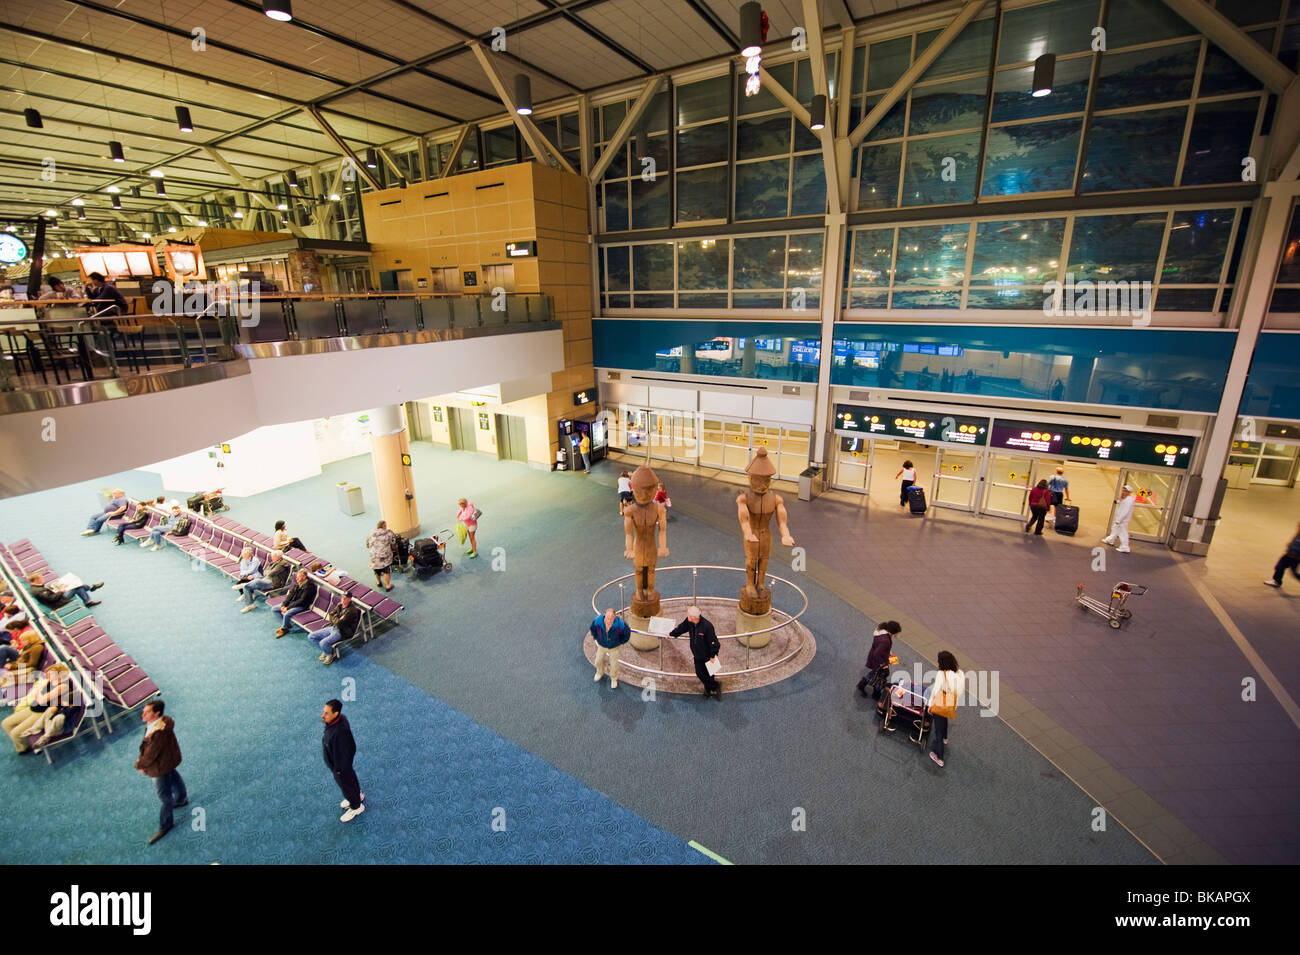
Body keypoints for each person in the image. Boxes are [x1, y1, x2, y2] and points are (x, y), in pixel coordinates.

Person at [135, 700, 187, 845]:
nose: (143, 714)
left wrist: (140, 765)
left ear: (156, 713)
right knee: (173, 776)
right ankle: (182, 799)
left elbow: (151, 754)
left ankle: (166, 825)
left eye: (147, 712)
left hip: (159, 765)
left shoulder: (158, 733)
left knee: (165, 797)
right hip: (168, 759)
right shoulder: (164, 721)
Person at [3, 663, 71, 754]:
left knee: (15, 733)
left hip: (41, 713)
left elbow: (41, 700)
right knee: (5, 723)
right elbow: (36, 693)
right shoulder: (49, 681)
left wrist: (39, 694)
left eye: (50, 674)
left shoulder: (63, 686)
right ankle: (24, 744)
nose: (47, 675)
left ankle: (25, 748)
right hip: (33, 708)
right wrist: (39, 694)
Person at [322, 699, 364, 822]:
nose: (323, 716)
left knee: (345, 785)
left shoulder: (338, 732)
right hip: (343, 764)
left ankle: (356, 806)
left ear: (335, 714)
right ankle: (358, 795)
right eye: (324, 712)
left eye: (327, 713)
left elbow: (345, 751)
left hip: (340, 767)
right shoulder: (340, 719)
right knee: (350, 778)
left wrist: (339, 769)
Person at [670, 606, 721, 698]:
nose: (687, 615)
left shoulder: (707, 626)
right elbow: (681, 628)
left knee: (710, 674)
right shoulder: (689, 622)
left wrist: (713, 656)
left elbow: (714, 642)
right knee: (699, 673)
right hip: (697, 655)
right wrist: (671, 633)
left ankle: (708, 689)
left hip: (708, 656)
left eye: (689, 615)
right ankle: (715, 686)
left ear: (694, 617)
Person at [926, 651, 965, 768]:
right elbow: (960, 691)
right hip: (951, 702)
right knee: (944, 720)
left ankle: (940, 757)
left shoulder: (941, 674)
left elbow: (935, 690)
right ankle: (945, 738)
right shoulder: (960, 673)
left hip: (941, 702)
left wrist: (930, 705)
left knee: (938, 729)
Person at [311, 594, 361, 664]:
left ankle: (330, 654)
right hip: (333, 627)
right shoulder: (339, 605)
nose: (343, 599)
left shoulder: (352, 611)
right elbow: (330, 615)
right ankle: (326, 650)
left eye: (345, 598)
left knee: (323, 642)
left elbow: (340, 624)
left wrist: (335, 618)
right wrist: (337, 619)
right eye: (343, 597)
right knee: (311, 636)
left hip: (342, 631)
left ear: (350, 599)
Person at [856, 621, 900, 699]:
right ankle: (876, 694)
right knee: (882, 676)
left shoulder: (881, 632)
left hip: (875, 658)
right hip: (879, 660)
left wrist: (888, 652)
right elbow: (877, 653)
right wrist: (884, 665)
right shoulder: (885, 641)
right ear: (893, 632)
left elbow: (879, 648)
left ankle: (862, 685)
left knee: (874, 673)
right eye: (897, 633)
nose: (898, 635)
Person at [590, 608, 630, 689]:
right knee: (598, 660)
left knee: (614, 664)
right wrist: (596, 637)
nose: (609, 620)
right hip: (602, 645)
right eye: (607, 617)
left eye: (611, 618)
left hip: (614, 647)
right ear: (605, 616)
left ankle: (613, 678)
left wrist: (620, 642)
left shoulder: (620, 624)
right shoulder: (598, 621)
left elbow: (627, 633)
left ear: (614, 616)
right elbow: (592, 628)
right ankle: (599, 672)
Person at [239, 549, 288, 613]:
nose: (272, 558)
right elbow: (266, 572)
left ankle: (243, 584)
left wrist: (266, 573)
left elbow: (271, 573)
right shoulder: (274, 562)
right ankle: (250, 605)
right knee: (246, 586)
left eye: (273, 556)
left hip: (273, 583)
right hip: (267, 579)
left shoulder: (281, 565)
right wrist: (266, 573)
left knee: (256, 581)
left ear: (279, 556)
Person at [275, 570, 317, 638]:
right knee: (274, 609)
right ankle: (287, 624)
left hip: (302, 606)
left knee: (287, 613)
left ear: (304, 577)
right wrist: (283, 605)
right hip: (293, 603)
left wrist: (287, 608)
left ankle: (284, 629)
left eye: (298, 577)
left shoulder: (309, 587)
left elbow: (301, 600)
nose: (296, 579)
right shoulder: (298, 584)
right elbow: (290, 595)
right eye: (297, 577)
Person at [27, 571, 102, 609]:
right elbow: (52, 599)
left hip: (56, 597)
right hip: (58, 602)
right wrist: (61, 591)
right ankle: (91, 589)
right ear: (36, 580)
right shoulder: (39, 591)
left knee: (79, 588)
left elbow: (48, 594)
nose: (42, 579)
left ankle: (88, 600)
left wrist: (52, 587)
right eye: (41, 578)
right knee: (76, 587)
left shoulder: (34, 588)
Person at [0, 620, 43, 685]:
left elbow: (31, 664)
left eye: (23, 640)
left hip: (28, 669)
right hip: (20, 665)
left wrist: (12, 666)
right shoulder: (29, 646)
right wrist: (13, 665)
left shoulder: (37, 648)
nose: (21, 642)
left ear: (29, 640)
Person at [1264, 522, 1300, 589]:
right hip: (1288, 555)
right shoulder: (1298, 535)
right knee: (1279, 567)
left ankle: (1277, 581)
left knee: (1294, 573)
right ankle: (1276, 581)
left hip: (1294, 557)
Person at [1101, 484, 1136, 553]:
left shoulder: (1129, 501)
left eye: (1125, 490)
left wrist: (1119, 520)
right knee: (1115, 529)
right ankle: (1110, 540)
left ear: (1129, 492)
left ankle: (1125, 547)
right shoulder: (1126, 498)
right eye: (1123, 490)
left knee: (1123, 533)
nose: (1123, 491)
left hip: (1122, 520)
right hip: (1120, 519)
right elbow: (1121, 502)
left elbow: (1125, 512)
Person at [366, 520, 397, 591]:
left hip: (374, 556)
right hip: (384, 557)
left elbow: (367, 545)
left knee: (377, 569)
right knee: (386, 570)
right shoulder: (388, 533)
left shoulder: (371, 533)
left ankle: (379, 582)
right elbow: (393, 543)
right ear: (384, 526)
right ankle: (388, 586)